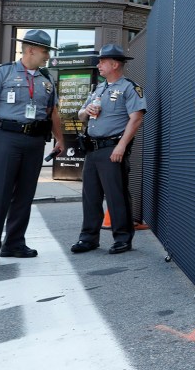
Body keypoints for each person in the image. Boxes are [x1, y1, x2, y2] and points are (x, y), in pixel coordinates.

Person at [0, 29, 65, 267]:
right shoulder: (3, 73)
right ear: (31, 50)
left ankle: (14, 243)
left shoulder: (46, 79)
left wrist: (61, 140)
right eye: (45, 51)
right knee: (0, 194)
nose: (47, 56)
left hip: (35, 141)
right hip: (6, 138)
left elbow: (52, 112)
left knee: (24, 194)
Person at [71, 44, 146, 255]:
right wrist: (87, 110)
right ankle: (88, 238)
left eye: (102, 62)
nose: (99, 65)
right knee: (90, 196)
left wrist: (121, 146)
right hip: (92, 149)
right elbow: (80, 115)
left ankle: (122, 238)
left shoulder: (130, 88)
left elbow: (136, 118)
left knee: (116, 195)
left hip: (112, 148)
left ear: (114, 64)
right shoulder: (99, 88)